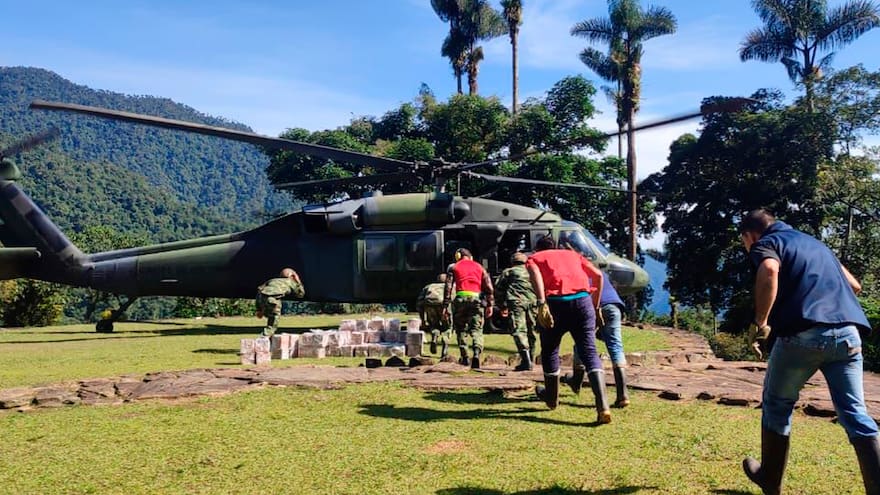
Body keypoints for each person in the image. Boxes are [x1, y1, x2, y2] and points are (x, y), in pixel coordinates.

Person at [738, 208, 879, 495]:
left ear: (750, 235)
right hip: (849, 334)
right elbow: (855, 285)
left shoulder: (767, 243)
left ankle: (770, 479)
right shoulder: (815, 244)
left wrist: (761, 322)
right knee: (855, 414)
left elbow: (768, 269)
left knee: (777, 404)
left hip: (803, 334)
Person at [526, 235, 610, 424]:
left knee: (549, 350)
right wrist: (595, 308)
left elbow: (536, 275)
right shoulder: (572, 254)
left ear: (537, 249)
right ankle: (603, 406)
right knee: (589, 352)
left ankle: (551, 398)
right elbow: (597, 276)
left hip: (556, 304)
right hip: (583, 302)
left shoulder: (535, 258)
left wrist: (541, 302)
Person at [563, 271, 630, 407]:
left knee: (581, 343)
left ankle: (576, 381)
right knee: (615, 346)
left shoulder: (573, 274)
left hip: (591, 306)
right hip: (613, 306)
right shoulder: (599, 272)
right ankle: (623, 394)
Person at [444, 248, 494, 369]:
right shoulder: (480, 267)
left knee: (461, 329)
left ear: (458, 256)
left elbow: (448, 288)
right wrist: (490, 304)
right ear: (470, 257)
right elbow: (489, 287)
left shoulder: (453, 267)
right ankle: (476, 353)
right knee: (477, 329)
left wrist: (446, 306)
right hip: (476, 299)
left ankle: (465, 357)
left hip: (460, 299)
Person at [495, 251, 538, 371]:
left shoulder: (509, 272)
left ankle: (526, 360)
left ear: (513, 261)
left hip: (516, 303)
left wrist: (501, 306)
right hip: (532, 303)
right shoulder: (532, 271)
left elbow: (498, 289)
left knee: (519, 330)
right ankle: (532, 358)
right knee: (531, 330)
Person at [255, 268, 305, 337]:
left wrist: (259, 309)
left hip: (261, 297)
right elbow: (300, 294)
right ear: (292, 276)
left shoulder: (273, 280)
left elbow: (259, 290)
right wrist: (298, 281)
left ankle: (268, 334)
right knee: (274, 318)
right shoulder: (290, 281)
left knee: (270, 313)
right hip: (272, 299)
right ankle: (264, 337)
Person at [416, 273, 451, 358]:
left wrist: (422, 319)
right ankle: (444, 350)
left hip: (429, 306)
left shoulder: (429, 286)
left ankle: (434, 338)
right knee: (447, 328)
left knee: (434, 325)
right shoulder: (449, 286)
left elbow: (419, 303)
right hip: (443, 307)